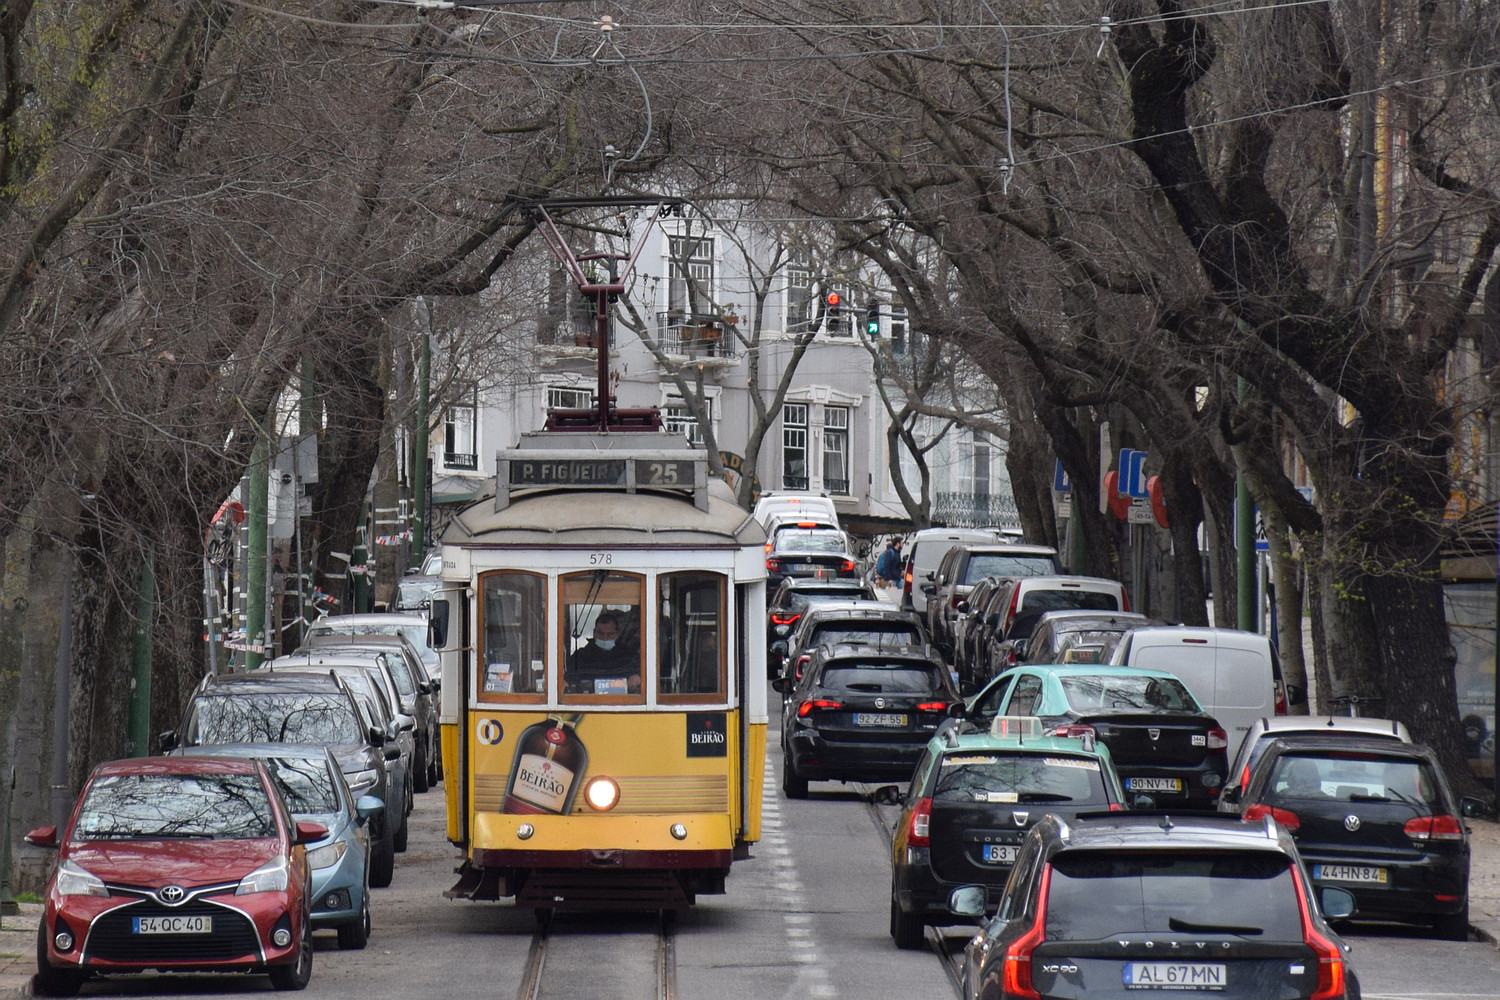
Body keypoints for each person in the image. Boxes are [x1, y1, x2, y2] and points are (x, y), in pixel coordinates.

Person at [569, 611, 640, 693]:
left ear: (617, 634)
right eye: (600, 633)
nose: (605, 638)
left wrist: (637, 678)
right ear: (594, 633)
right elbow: (567, 677)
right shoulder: (580, 656)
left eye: (610, 634)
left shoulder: (629, 655)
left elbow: (644, 673)